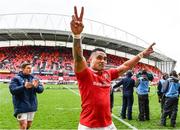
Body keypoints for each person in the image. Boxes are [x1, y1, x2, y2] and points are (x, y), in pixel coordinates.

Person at [70, 6, 155, 129]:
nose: (103, 61)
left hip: (109, 124)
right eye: (99, 57)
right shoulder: (85, 73)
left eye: (105, 58)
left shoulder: (108, 73)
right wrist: (77, 36)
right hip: (89, 126)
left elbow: (125, 66)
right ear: (90, 59)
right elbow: (78, 57)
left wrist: (141, 54)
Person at [9, 62, 44, 130]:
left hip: (32, 105)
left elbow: (41, 90)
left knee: (28, 125)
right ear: (22, 69)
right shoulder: (16, 79)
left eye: (31, 68)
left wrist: (36, 87)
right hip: (21, 105)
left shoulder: (34, 78)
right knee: (23, 125)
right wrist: (24, 87)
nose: (30, 70)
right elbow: (13, 90)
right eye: (28, 68)